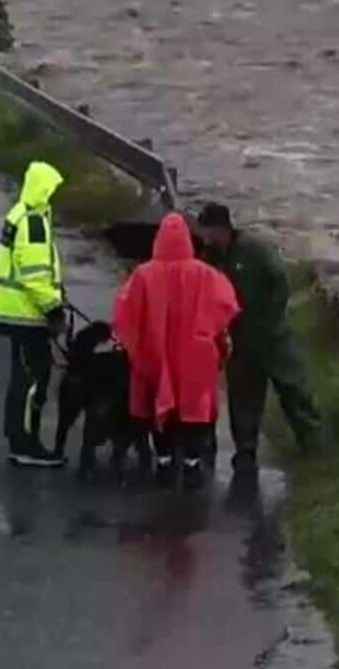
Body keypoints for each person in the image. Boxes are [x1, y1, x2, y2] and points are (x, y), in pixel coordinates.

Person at [113, 212, 241, 490]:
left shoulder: (142, 275)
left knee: (159, 405)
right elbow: (225, 306)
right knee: (193, 410)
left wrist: (131, 343)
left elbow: (125, 312)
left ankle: (164, 460)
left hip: (153, 353)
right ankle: (192, 464)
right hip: (195, 356)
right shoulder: (207, 274)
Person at [196, 203, 322, 470]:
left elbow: (280, 282)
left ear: (221, 228)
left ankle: (314, 445)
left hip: (271, 334)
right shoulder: (210, 255)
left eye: (207, 229)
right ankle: (245, 451)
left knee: (293, 388)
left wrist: (272, 321)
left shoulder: (255, 248)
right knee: (243, 396)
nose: (204, 235)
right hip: (239, 337)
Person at [0, 161, 69, 468]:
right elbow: (34, 276)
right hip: (26, 315)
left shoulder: (19, 214)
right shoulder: (34, 223)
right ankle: (25, 444)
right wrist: (54, 308)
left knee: (23, 378)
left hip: (16, 313)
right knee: (33, 379)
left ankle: (19, 439)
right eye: (52, 189)